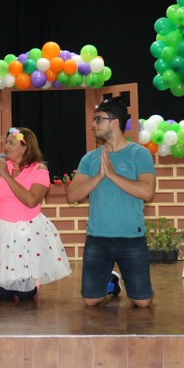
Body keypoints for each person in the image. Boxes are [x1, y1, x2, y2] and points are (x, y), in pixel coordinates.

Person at [67, 98, 156, 308]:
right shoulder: (90, 158)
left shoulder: (140, 154)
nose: (94, 124)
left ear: (115, 122)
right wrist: (99, 176)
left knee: (143, 303)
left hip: (132, 238)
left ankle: (113, 280)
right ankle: (112, 281)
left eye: (98, 119)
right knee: (91, 301)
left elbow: (147, 192)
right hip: (97, 238)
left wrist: (113, 175)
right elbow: (73, 195)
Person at [0, 127, 70, 301]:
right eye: (6, 143)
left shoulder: (39, 169)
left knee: (26, 295)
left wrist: (7, 177)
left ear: (25, 147)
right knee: (3, 295)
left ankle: (33, 281)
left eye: (11, 143)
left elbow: (31, 201)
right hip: (4, 230)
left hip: (29, 231)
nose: (6, 147)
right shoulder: (0, 169)